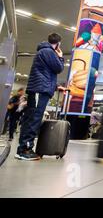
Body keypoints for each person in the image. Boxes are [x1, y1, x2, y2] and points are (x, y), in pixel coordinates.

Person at [15, 33, 65, 161]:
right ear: (58, 43)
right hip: (39, 90)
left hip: (40, 89)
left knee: (31, 118)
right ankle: (25, 150)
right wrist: (60, 57)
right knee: (34, 119)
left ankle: (23, 148)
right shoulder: (48, 51)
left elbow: (46, 74)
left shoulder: (44, 52)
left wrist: (56, 86)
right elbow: (58, 68)